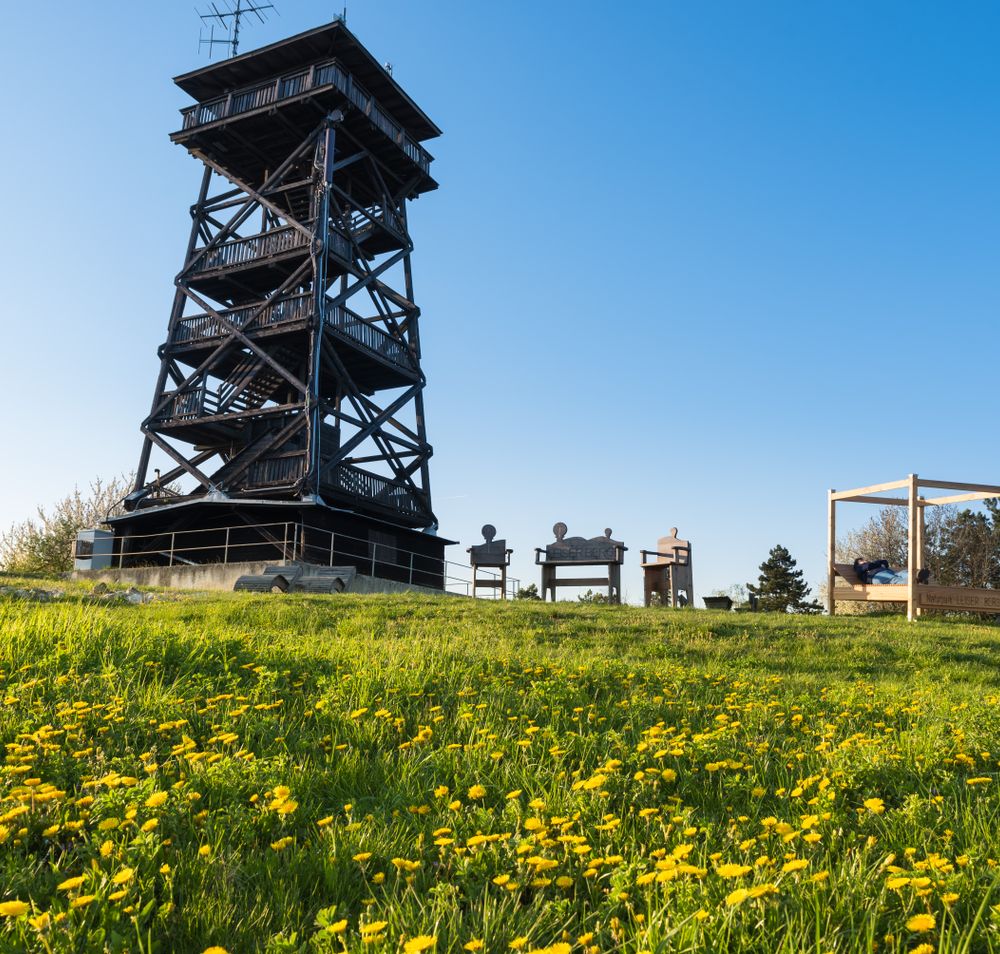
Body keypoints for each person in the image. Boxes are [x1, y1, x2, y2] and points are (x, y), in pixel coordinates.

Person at [853, 558, 930, 585]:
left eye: (864, 560)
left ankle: (918, 576)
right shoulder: (859, 568)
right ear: (858, 564)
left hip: (889, 573)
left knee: (903, 573)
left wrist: (881, 562)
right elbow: (868, 566)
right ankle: (914, 581)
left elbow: (885, 562)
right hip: (877, 576)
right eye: (861, 561)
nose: (864, 561)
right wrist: (878, 562)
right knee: (895, 580)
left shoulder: (873, 564)